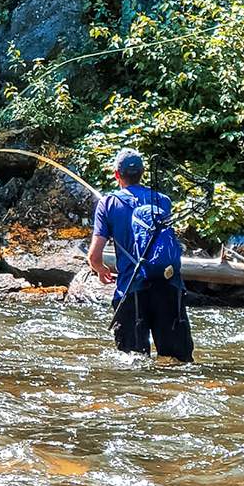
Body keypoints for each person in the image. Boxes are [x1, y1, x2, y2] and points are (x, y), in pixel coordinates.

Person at [87, 149, 195, 361]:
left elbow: (93, 256)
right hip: (168, 285)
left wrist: (100, 270)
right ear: (143, 173)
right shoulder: (162, 201)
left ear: (117, 174)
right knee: (178, 362)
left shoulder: (108, 203)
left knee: (132, 363)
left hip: (132, 289)